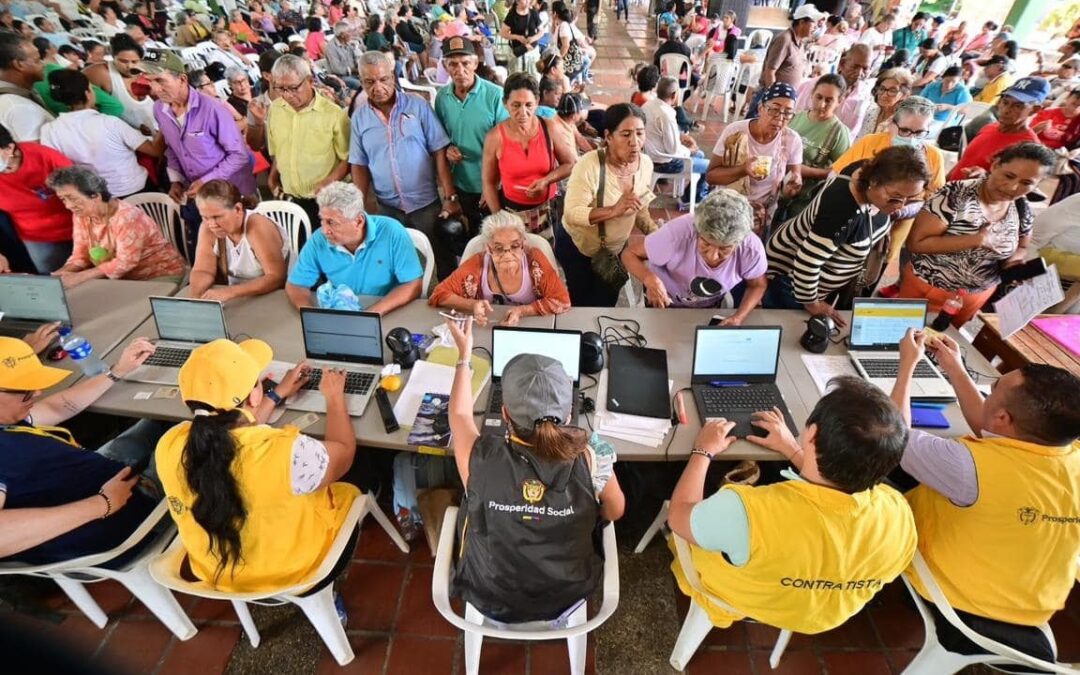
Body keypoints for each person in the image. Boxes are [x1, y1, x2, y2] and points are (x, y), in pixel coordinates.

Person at [667, 377, 916, 639]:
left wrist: (703, 451)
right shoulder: (898, 513)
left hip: (740, 595)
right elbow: (831, 494)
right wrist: (793, 450)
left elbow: (678, 514)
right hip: (817, 615)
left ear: (811, 433)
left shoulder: (747, 512)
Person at [890, 333, 1080, 662]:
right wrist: (954, 368)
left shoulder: (968, 467)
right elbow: (994, 426)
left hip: (957, 597)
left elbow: (893, 437)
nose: (988, 394)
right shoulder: (1067, 451)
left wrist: (907, 366)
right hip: (1035, 605)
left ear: (1004, 418)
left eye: (993, 390)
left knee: (882, 477)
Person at [444, 317, 625, 623]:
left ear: (505, 413)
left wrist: (465, 355)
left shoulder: (478, 457)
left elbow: (459, 415)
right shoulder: (593, 454)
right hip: (566, 593)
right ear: (569, 412)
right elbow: (615, 511)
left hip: (490, 593)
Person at [156, 337, 361, 598]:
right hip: (294, 572)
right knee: (360, 477)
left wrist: (275, 395)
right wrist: (333, 397)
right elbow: (344, 451)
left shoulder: (170, 444)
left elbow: (230, 436)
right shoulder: (287, 453)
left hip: (219, 576)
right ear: (254, 394)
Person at [0, 336, 169, 565]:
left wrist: (116, 372)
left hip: (101, 475)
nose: (38, 392)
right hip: (128, 520)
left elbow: (54, 407)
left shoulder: (8, 418)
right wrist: (103, 503)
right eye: (25, 391)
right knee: (208, 431)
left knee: (162, 419)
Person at [764, 146, 930, 325]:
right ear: (874, 181)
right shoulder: (843, 208)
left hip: (815, 281)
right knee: (785, 330)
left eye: (911, 198)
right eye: (896, 196)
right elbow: (807, 263)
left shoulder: (867, 171)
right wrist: (814, 305)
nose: (901, 205)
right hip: (792, 281)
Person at [900, 142, 1055, 325]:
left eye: (1026, 183)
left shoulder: (1021, 207)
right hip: (929, 287)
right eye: (1009, 176)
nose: (1013, 187)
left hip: (976, 296)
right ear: (996, 165)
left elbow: (1022, 245)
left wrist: (1014, 264)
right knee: (901, 336)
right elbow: (916, 243)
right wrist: (975, 240)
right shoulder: (955, 194)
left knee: (944, 345)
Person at [349, 51, 460, 279]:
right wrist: (357, 206)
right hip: (387, 205)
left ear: (393, 77)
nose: (378, 87)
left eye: (383, 79)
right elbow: (359, 165)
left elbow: (439, 152)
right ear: (361, 82)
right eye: (369, 82)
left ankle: (451, 300)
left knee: (442, 256)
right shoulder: (359, 118)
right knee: (392, 261)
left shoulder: (417, 106)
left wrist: (450, 198)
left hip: (425, 203)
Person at [144, 49, 256, 259]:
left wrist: (207, 179)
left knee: (240, 256)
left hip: (229, 194)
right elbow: (174, 148)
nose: (155, 89)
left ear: (182, 79)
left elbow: (238, 155)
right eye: (150, 81)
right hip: (196, 195)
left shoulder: (213, 108)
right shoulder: (160, 110)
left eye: (160, 80)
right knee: (206, 254)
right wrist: (176, 180)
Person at [557, 103, 657, 307]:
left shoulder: (645, 164)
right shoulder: (589, 165)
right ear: (609, 136)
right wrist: (614, 210)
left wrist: (656, 234)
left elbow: (639, 205)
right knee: (582, 303)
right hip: (579, 247)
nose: (634, 142)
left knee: (606, 301)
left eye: (639, 133)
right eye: (626, 134)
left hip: (614, 249)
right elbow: (572, 214)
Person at [621, 188, 767, 316]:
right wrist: (650, 280)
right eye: (705, 243)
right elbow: (629, 254)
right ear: (697, 231)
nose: (712, 256)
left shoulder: (751, 249)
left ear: (739, 242)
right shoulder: (676, 234)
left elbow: (757, 285)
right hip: (664, 302)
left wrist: (738, 317)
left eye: (724, 248)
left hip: (709, 307)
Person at [285, 181, 423, 313]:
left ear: (358, 221)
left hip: (386, 308)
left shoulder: (391, 231)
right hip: (341, 310)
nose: (324, 230)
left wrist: (370, 315)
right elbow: (296, 284)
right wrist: (310, 314)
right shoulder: (319, 239)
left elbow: (413, 284)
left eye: (332, 222)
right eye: (322, 220)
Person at [48, 165, 186, 288]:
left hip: (158, 274)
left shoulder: (127, 217)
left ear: (95, 195)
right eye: (63, 199)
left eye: (73, 198)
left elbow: (125, 262)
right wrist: (63, 273)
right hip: (122, 279)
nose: (68, 206)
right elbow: (80, 255)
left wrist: (80, 277)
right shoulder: (81, 215)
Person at [429, 210, 569, 324]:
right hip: (487, 327)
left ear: (522, 244)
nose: (507, 254)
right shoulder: (478, 263)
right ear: (488, 248)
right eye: (498, 248)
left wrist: (522, 311)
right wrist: (472, 305)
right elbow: (438, 295)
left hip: (530, 326)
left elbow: (561, 300)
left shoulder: (535, 260)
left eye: (514, 246)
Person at [481, 73, 576, 238]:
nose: (523, 112)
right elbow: (489, 182)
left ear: (537, 102)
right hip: (511, 212)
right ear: (505, 104)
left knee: (547, 258)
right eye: (515, 105)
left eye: (528, 105)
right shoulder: (495, 137)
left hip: (548, 208)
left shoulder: (549, 128)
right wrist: (499, 219)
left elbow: (570, 163)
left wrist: (546, 180)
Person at [39, 69, 158, 199]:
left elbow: (58, 169)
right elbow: (154, 150)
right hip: (135, 190)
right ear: (88, 93)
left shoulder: (49, 131)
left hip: (97, 197)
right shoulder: (110, 122)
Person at [706, 82, 803, 237]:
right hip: (726, 210)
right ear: (760, 108)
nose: (780, 118)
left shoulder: (792, 140)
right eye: (774, 109)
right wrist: (743, 169)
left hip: (760, 217)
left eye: (788, 113)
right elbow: (711, 176)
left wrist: (791, 188)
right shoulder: (735, 131)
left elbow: (791, 185)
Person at [435, 36, 509, 232]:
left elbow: (506, 144)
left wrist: (493, 184)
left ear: (475, 63)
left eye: (465, 63)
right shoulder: (442, 98)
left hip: (493, 182)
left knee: (497, 232)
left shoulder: (495, 95)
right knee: (474, 230)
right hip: (462, 182)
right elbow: (442, 138)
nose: (460, 71)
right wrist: (449, 148)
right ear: (445, 66)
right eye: (453, 64)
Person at [266, 55, 350, 229]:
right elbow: (279, 150)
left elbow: (348, 159)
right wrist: (273, 177)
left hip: (326, 200)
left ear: (310, 81)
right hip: (290, 199)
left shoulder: (333, 114)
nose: (287, 95)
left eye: (293, 88)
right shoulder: (275, 109)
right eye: (280, 88)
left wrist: (328, 182)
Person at [189, 180, 288, 302]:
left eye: (217, 217)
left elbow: (276, 277)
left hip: (273, 294)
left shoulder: (257, 226)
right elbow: (202, 270)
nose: (211, 224)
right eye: (205, 217)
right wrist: (195, 298)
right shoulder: (207, 228)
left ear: (238, 209)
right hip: (237, 296)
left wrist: (230, 292)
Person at [0, 123, 72, 273]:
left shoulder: (44, 157)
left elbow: (82, 192)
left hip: (77, 227)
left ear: (9, 148)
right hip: (37, 237)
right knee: (55, 282)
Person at [950, 77, 1047, 181]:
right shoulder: (989, 126)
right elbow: (963, 163)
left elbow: (1012, 187)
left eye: (1018, 106)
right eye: (1005, 102)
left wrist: (984, 178)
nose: (1006, 110)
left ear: (1034, 110)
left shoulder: (1028, 149)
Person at [789, 73, 852, 215]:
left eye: (829, 100)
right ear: (812, 94)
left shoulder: (839, 133)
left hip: (804, 202)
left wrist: (803, 171)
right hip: (779, 191)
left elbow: (842, 171)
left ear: (840, 101)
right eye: (819, 97)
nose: (822, 104)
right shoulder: (794, 117)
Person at [748, 3, 826, 117]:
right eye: (813, 23)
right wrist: (773, 98)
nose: (815, 27)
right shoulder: (785, 39)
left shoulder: (800, 42)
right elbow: (770, 71)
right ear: (802, 22)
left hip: (782, 100)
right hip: (770, 98)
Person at [643, 76, 709, 207]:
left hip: (649, 155)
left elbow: (659, 133)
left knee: (700, 155)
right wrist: (689, 150)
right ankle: (689, 199)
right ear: (674, 95)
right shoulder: (666, 115)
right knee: (709, 166)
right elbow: (672, 150)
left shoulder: (647, 105)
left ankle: (688, 194)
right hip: (664, 163)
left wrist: (680, 136)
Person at [84, 34, 157, 134]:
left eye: (134, 61)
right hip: (125, 134)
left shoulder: (148, 71)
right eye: (123, 61)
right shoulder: (100, 73)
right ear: (113, 57)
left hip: (159, 128)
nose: (129, 66)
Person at [793, 44, 873, 134]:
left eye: (865, 68)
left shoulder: (864, 95)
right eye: (855, 67)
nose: (859, 73)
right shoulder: (813, 85)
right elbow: (796, 117)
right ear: (842, 64)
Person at [0, 32, 54, 142]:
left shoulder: (17, 96)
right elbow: (40, 155)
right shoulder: (19, 108)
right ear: (19, 64)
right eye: (37, 60)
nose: (43, 64)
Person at [856, 68, 914, 140]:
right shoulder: (870, 112)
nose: (884, 95)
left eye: (892, 91)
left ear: (904, 95)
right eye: (882, 88)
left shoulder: (902, 124)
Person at [502, 0, 542, 75]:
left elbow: (541, 31)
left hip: (532, 52)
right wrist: (517, 37)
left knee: (534, 75)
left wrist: (533, 38)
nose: (527, 1)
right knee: (517, 77)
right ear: (517, 1)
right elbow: (503, 33)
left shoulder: (533, 13)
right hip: (518, 52)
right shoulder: (512, 15)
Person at [324, 21, 360, 89]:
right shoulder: (331, 47)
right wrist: (353, 70)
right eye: (349, 32)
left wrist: (359, 66)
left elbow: (355, 58)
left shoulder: (348, 44)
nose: (351, 33)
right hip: (340, 77)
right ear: (342, 35)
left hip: (354, 73)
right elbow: (337, 69)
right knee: (360, 85)